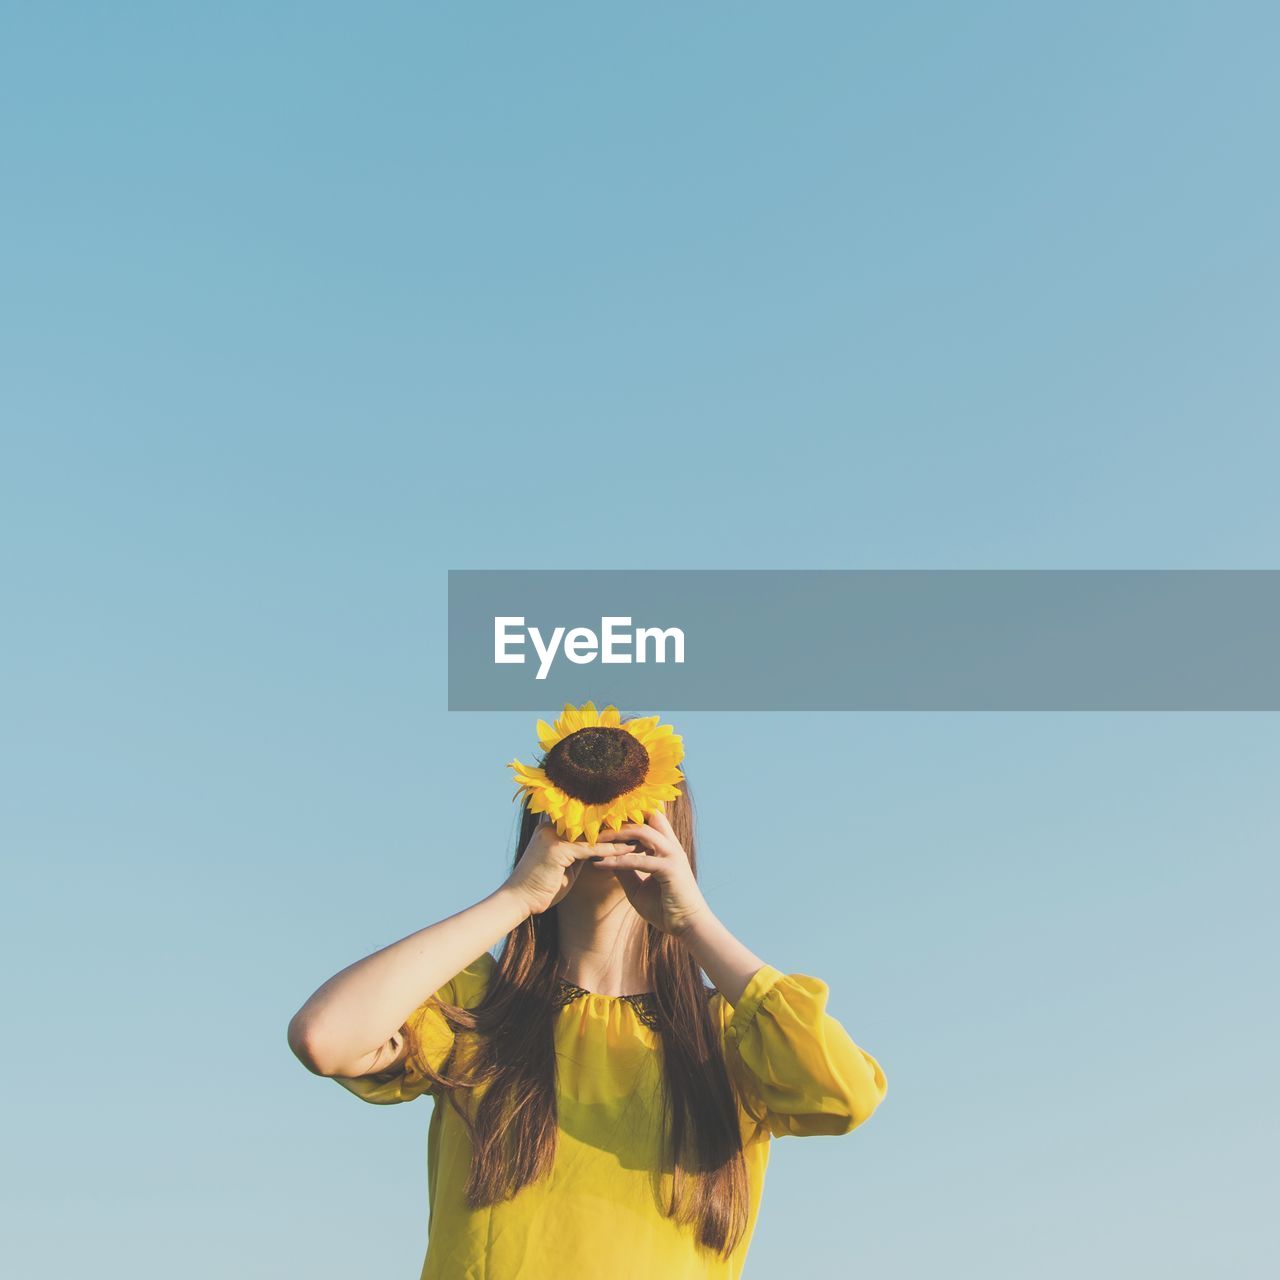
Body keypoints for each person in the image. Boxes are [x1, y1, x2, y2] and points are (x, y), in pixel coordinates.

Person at [288, 708, 887, 1279]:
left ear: (672, 828)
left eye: (637, 805)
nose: (607, 820)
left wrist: (694, 922)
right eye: (578, 802)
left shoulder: (727, 1035)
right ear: (540, 823)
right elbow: (326, 1037)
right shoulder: (479, 1008)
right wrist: (515, 898)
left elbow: (844, 1095)